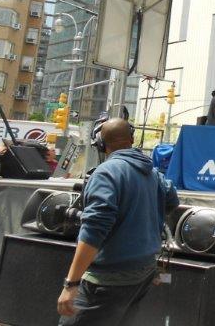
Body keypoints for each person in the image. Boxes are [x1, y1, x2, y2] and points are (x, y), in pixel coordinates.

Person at [57, 119, 179, 325]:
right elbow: (172, 200)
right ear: (131, 139)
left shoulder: (105, 173)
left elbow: (94, 230)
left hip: (107, 279)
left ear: (101, 144)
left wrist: (71, 284)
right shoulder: (154, 174)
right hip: (144, 273)